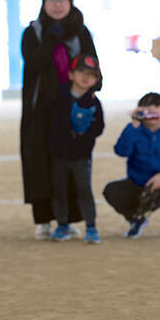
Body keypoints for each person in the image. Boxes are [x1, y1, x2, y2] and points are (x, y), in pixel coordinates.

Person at [20, 0, 100, 240]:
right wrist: (52, 36)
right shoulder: (33, 32)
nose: (57, 4)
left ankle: (71, 219)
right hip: (41, 110)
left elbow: (94, 69)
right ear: (44, 3)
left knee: (73, 161)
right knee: (40, 164)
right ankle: (44, 219)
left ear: (70, 2)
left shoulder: (81, 31)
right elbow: (33, 64)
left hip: (73, 108)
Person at [103, 92, 160, 239]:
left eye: (157, 106)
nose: (152, 109)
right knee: (112, 191)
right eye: (146, 106)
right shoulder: (134, 131)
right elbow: (121, 151)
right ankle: (136, 218)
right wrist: (133, 126)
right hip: (138, 185)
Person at [47, 54, 104, 243]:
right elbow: (50, 124)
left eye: (90, 74)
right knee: (59, 190)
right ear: (71, 75)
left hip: (81, 156)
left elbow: (98, 127)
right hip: (59, 155)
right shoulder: (58, 97)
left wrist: (83, 141)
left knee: (84, 190)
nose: (85, 77)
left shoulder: (94, 103)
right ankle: (62, 224)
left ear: (96, 79)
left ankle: (91, 227)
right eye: (80, 72)